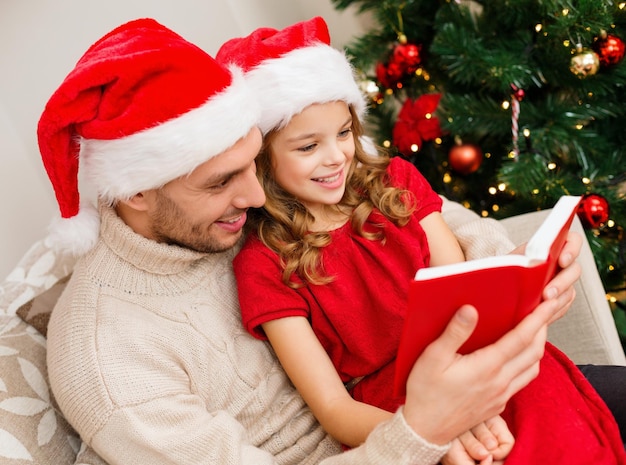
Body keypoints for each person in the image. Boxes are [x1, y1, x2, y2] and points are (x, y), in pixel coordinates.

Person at [41, 17, 585, 465]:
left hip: (437, 400)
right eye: (223, 181)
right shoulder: (108, 360)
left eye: (252, 165)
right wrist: (424, 431)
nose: (258, 197)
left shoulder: (219, 213)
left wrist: (511, 266)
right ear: (135, 190)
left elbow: (424, 222)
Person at [223, 18, 626, 465]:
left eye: (343, 133)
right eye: (307, 147)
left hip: (480, 365)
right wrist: (437, 430)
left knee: (563, 437)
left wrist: (526, 287)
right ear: (261, 160)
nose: (336, 156)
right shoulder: (263, 265)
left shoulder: (395, 181)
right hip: (396, 415)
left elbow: (461, 290)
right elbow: (336, 412)